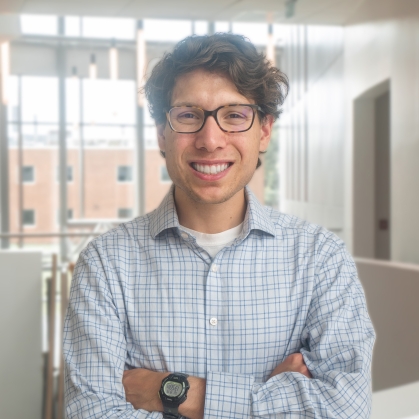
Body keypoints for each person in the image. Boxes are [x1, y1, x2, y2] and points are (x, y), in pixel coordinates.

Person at [63, 33, 375, 419]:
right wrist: (270, 399)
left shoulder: (321, 258)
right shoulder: (106, 265)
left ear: (263, 131)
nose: (210, 140)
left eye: (234, 115)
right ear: (162, 132)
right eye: (189, 115)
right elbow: (91, 413)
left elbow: (346, 409)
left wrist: (174, 392)